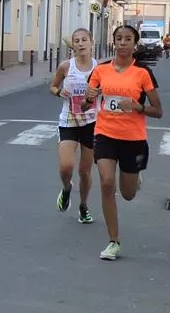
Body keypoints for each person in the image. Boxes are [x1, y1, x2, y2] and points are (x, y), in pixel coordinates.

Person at [84, 24, 163, 261]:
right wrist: (89, 99)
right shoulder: (100, 71)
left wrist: (138, 107)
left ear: (134, 43)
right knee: (107, 184)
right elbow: (87, 104)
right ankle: (113, 242)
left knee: (127, 194)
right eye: (119, 38)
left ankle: (134, 176)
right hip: (105, 133)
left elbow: (158, 111)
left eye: (128, 39)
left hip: (133, 138)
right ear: (114, 42)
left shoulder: (143, 73)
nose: (123, 43)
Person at [48, 28, 98, 224]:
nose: (80, 43)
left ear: (92, 42)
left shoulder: (99, 68)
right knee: (66, 166)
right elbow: (52, 87)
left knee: (85, 171)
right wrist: (58, 92)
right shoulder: (66, 67)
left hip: (91, 123)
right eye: (77, 41)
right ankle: (67, 188)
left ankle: (83, 207)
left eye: (84, 39)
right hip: (68, 121)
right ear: (73, 45)